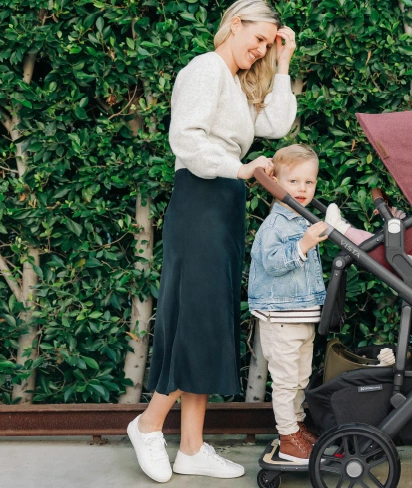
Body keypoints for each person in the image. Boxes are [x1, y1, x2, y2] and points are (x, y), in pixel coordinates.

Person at [126, 1, 298, 482]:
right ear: (234, 24)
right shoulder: (204, 69)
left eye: (268, 43)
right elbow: (186, 139)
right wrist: (238, 168)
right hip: (201, 197)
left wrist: (283, 63)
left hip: (223, 200)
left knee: (209, 318)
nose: (260, 48)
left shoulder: (238, 84)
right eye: (258, 38)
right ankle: (148, 424)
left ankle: (193, 448)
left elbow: (277, 124)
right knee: (196, 317)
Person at [248, 144, 398, 463]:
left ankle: (297, 426)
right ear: (275, 181)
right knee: (287, 381)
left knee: (301, 377)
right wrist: (302, 246)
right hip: (281, 318)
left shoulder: (302, 218)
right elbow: (271, 263)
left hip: (300, 316)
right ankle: (288, 437)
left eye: (309, 182)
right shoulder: (276, 225)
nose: (302, 189)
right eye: (294, 182)